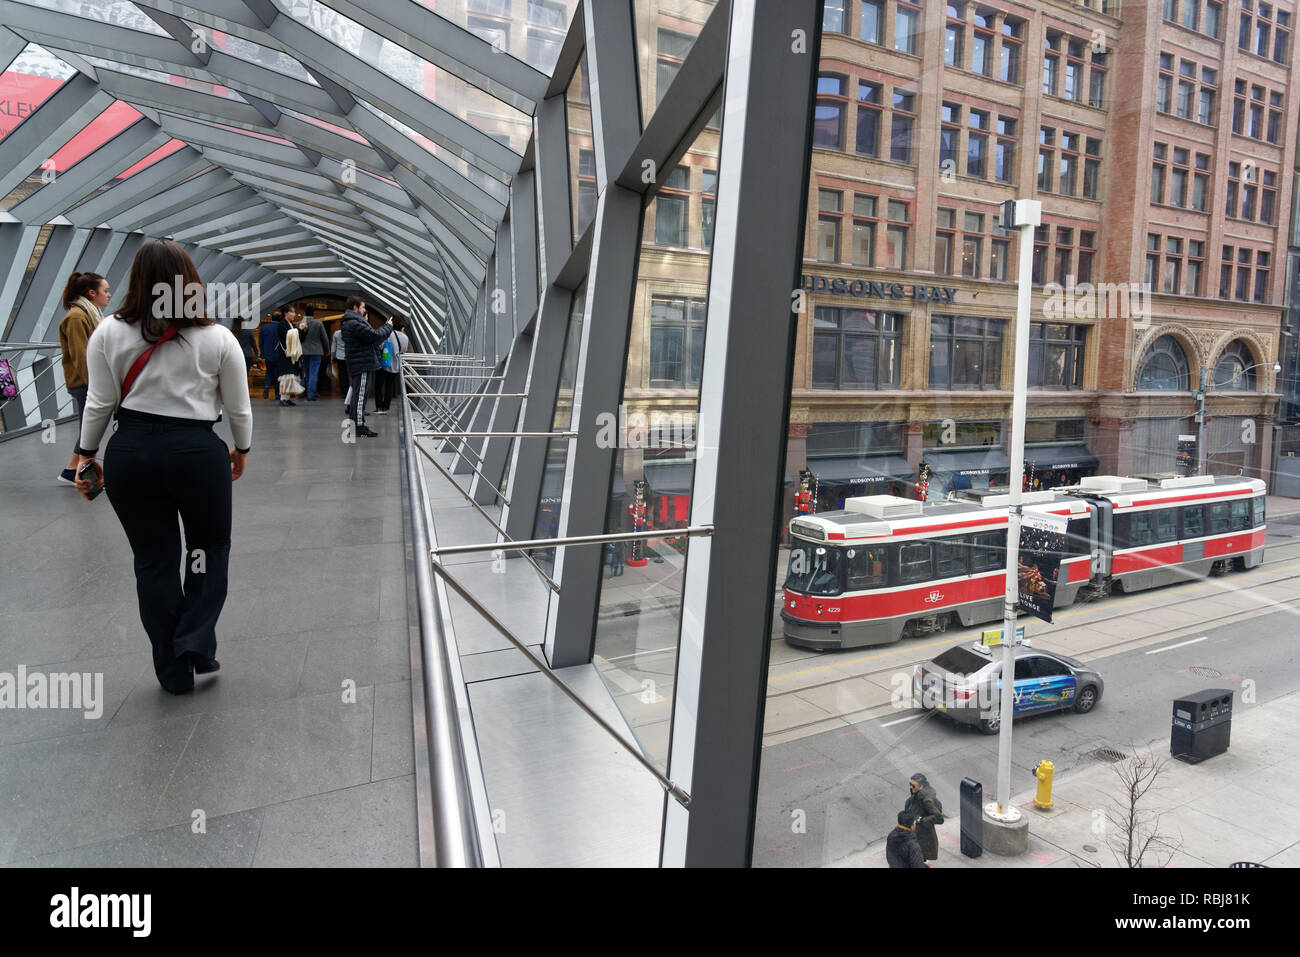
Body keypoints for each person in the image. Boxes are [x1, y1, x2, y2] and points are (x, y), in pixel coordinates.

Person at [73, 239, 252, 695]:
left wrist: (86, 455)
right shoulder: (217, 337)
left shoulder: (108, 332)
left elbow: (99, 403)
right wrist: (242, 449)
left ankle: (172, 674)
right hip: (197, 453)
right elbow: (239, 409)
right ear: (191, 282)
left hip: (131, 452)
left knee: (153, 563)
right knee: (208, 552)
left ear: (136, 280)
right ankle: (193, 640)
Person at [56, 271, 110, 485]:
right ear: (91, 293)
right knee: (89, 429)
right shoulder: (78, 317)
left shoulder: (89, 313)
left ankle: (71, 470)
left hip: (88, 382)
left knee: (88, 428)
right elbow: (81, 357)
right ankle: (81, 474)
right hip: (84, 383)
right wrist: (97, 386)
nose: (109, 294)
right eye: (105, 291)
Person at [341, 297, 392, 438]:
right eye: (363, 307)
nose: (364, 311)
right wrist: (387, 326)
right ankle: (358, 426)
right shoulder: (354, 323)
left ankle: (356, 424)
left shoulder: (349, 322)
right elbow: (374, 336)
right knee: (360, 394)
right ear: (356, 308)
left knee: (358, 394)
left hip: (358, 361)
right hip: (361, 363)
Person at [902, 772, 944, 863]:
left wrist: (922, 820)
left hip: (922, 837)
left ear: (921, 787)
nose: (911, 787)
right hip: (913, 833)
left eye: (913, 786)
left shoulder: (926, 800)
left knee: (919, 860)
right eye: (910, 785)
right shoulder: (917, 795)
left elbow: (939, 818)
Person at [373, 313, 409, 414]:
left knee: (379, 385)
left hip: (384, 363)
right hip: (396, 365)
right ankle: (386, 407)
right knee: (390, 385)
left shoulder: (388, 333)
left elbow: (380, 346)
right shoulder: (405, 337)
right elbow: (404, 351)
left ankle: (379, 407)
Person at [296, 306, 329, 401]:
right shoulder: (318, 323)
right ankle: (311, 394)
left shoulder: (299, 323)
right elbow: (324, 338)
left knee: (305, 372)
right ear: (314, 313)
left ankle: (302, 392)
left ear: (304, 313)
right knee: (313, 372)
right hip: (316, 351)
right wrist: (327, 350)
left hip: (303, 351)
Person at [258, 313, 283, 400]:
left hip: (268, 354)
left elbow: (260, 342)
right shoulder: (281, 327)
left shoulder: (264, 327)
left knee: (268, 371)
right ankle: (277, 393)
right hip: (279, 354)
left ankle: (267, 386)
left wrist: (262, 352)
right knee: (277, 374)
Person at [331, 322, 348, 410]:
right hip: (349, 357)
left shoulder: (337, 333)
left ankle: (343, 393)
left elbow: (334, 346)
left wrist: (332, 357)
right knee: (349, 375)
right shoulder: (350, 333)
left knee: (342, 375)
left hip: (340, 356)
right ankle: (349, 392)